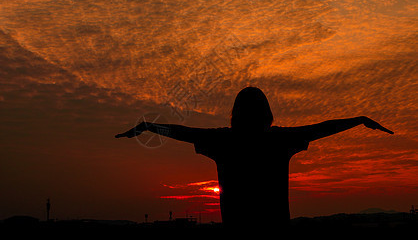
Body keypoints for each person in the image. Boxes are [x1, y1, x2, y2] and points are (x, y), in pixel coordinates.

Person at [115, 86, 393, 231]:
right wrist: (358, 120)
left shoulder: (224, 139)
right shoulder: (278, 140)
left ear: (235, 112)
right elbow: (322, 127)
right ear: (267, 112)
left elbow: (181, 131)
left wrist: (149, 126)